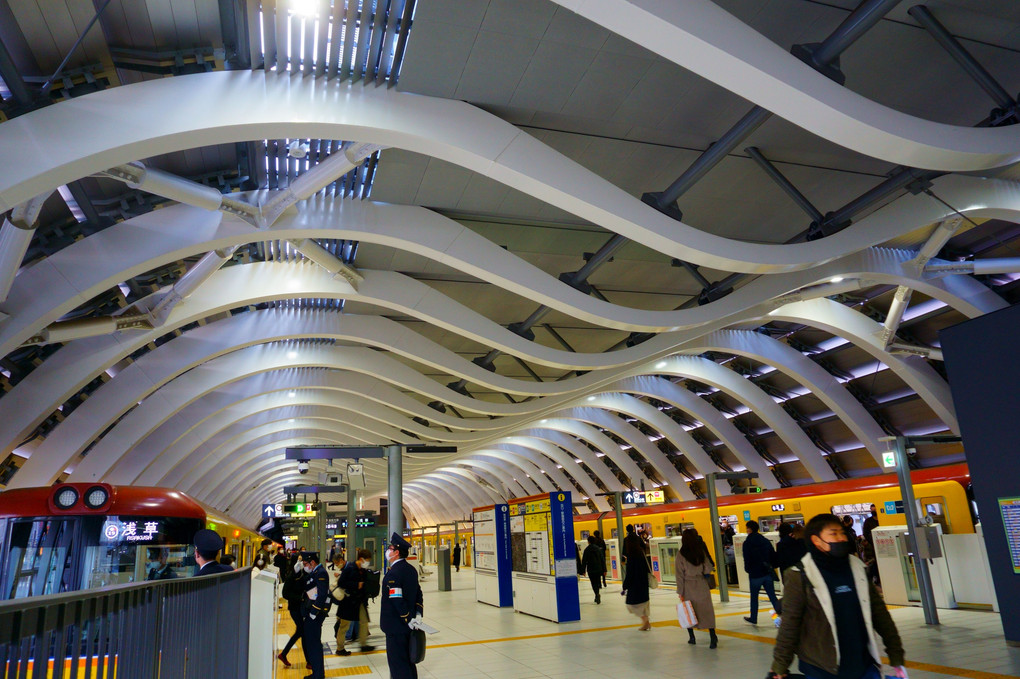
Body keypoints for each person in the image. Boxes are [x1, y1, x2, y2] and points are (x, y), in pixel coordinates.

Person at [771, 513, 906, 679]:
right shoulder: (799, 575)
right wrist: (780, 665)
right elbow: (790, 624)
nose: (842, 538)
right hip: (821, 668)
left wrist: (895, 651)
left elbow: (879, 613)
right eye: (833, 534)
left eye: (842, 533)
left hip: (863, 664)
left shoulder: (857, 567)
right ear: (816, 541)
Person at [381, 533, 424, 679]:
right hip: (409, 625)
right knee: (409, 661)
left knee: (398, 663)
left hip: (395, 626)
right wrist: (418, 613)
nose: (388, 551)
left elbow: (396, 599)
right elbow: (418, 593)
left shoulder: (394, 573)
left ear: (396, 552)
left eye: (390, 548)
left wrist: (406, 618)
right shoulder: (411, 570)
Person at [675, 528, 718, 648]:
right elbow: (708, 568)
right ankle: (713, 637)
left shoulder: (681, 554)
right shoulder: (700, 552)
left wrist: (680, 591)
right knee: (707, 611)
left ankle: (692, 637)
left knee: (689, 611)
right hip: (701, 584)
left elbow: (679, 575)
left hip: (688, 586)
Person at [335, 548, 375, 655]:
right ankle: (340, 648)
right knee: (344, 625)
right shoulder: (350, 568)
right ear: (361, 559)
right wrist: (356, 585)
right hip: (348, 602)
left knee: (363, 622)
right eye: (367, 560)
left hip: (360, 601)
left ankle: (363, 644)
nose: (367, 563)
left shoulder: (363, 570)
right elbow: (341, 583)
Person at [742, 520, 782, 625]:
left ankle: (754, 618)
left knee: (754, 597)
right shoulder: (765, 541)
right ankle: (781, 618)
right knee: (772, 596)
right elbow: (773, 555)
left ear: (749, 529)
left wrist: (748, 569)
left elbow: (746, 559)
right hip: (767, 572)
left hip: (755, 574)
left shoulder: (747, 543)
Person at [300, 551, 330, 679]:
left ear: (312, 562)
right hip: (312, 612)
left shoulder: (321, 573)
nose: (305, 566)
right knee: (311, 643)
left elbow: (322, 594)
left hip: (316, 614)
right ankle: (317, 673)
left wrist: (314, 611)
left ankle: (318, 675)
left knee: (314, 644)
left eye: (306, 563)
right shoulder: (315, 572)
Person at [621, 524, 651, 631]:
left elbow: (630, 574)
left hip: (635, 585)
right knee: (644, 604)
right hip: (643, 582)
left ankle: (645, 622)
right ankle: (645, 622)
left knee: (632, 605)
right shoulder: (640, 553)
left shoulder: (631, 557)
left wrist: (625, 586)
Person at [278, 557, 306, 668]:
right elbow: (285, 594)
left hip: (301, 608)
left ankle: (284, 654)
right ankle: (308, 660)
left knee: (300, 632)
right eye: (299, 561)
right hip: (295, 609)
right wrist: (301, 598)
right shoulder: (291, 577)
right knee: (301, 631)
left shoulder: (302, 575)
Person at [580, 535, 606, 604]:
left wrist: (583, 571)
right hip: (599, 568)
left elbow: (584, 561)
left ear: (588, 542)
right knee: (597, 582)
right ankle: (597, 594)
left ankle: (596, 594)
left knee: (593, 582)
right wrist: (604, 569)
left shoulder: (587, 550)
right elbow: (602, 560)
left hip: (591, 569)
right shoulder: (598, 549)